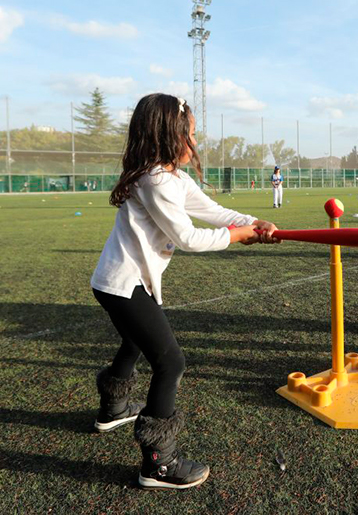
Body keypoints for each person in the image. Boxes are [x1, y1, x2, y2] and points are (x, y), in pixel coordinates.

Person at [90, 93, 279, 490]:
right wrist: (238, 235)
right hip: (122, 285)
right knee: (171, 362)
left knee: (134, 342)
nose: (195, 141)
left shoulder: (172, 176)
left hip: (125, 282)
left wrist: (251, 222)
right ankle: (158, 464)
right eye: (190, 133)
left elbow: (211, 210)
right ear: (169, 134)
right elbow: (189, 237)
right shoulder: (155, 180)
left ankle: (113, 408)